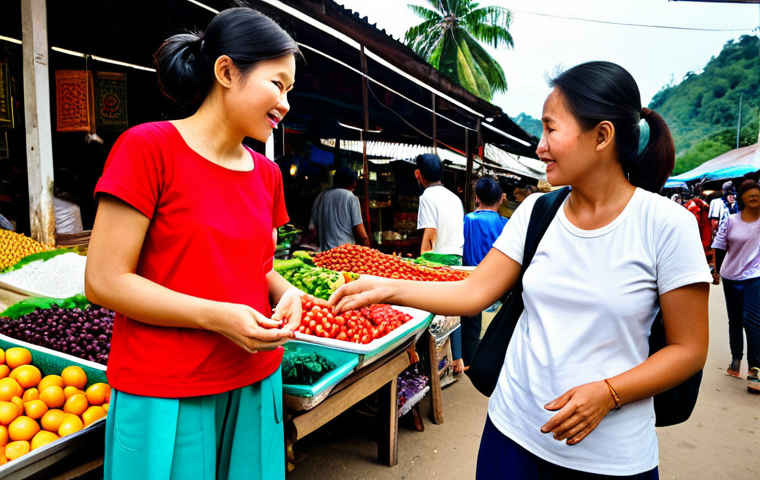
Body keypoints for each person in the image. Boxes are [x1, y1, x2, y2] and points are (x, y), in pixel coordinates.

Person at [330, 61, 710, 479]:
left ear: (602, 135)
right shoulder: (537, 212)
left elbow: (688, 350)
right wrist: (385, 287)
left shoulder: (667, 225)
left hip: (611, 457)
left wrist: (609, 393)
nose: (540, 147)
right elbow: (473, 292)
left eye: (551, 130)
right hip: (512, 433)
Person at [85, 8, 304, 480]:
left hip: (256, 379)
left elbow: (256, 268)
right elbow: (104, 281)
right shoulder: (148, 149)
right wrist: (217, 316)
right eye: (278, 84)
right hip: (166, 388)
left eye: (289, 90)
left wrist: (286, 293)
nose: (285, 103)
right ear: (226, 71)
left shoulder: (267, 175)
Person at [451, 177, 508, 374]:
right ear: (501, 199)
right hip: (500, 283)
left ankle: (470, 365)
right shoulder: (506, 224)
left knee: (471, 330)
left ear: (477, 198)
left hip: (472, 282)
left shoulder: (468, 220)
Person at [712, 179, 760, 394]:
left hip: (755, 277)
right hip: (731, 276)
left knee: (753, 319)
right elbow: (720, 247)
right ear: (741, 199)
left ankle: (755, 369)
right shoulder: (731, 221)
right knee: (735, 320)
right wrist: (717, 271)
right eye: (750, 197)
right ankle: (735, 360)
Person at [309, 166, 370, 251]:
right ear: (354, 183)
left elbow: (312, 229)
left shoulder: (321, 196)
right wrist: (368, 249)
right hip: (344, 255)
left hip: (324, 254)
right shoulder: (351, 197)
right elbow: (360, 231)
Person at [415, 153, 464, 259]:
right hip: (457, 257)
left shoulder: (427, 196)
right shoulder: (454, 198)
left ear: (418, 174)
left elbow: (431, 231)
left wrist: (424, 258)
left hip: (439, 257)